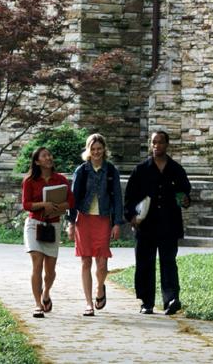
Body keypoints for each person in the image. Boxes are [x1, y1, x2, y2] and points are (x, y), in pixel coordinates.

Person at [123, 130, 192, 315]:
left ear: (167, 144)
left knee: (168, 262)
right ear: (150, 144)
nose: (157, 145)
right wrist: (132, 217)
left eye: (160, 142)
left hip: (169, 225)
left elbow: (185, 194)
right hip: (146, 226)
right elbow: (129, 197)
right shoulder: (141, 170)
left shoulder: (176, 169)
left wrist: (185, 200)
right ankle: (147, 302)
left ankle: (171, 299)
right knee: (145, 263)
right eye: (154, 142)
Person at [69, 133, 125, 317]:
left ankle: (100, 288)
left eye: (99, 149)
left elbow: (117, 197)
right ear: (88, 150)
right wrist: (70, 223)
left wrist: (117, 223)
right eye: (92, 149)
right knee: (86, 261)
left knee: (101, 262)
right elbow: (73, 198)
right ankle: (88, 303)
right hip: (83, 219)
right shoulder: (81, 171)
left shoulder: (110, 171)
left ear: (104, 150)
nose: (96, 152)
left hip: (103, 219)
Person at [20, 146, 69, 318]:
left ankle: (46, 292)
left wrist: (59, 206)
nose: (49, 157)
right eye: (44, 156)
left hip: (53, 226)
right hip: (34, 224)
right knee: (37, 263)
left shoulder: (61, 179)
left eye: (50, 154)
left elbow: (71, 201)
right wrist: (43, 204)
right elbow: (26, 204)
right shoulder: (29, 181)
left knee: (50, 271)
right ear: (37, 161)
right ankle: (37, 304)